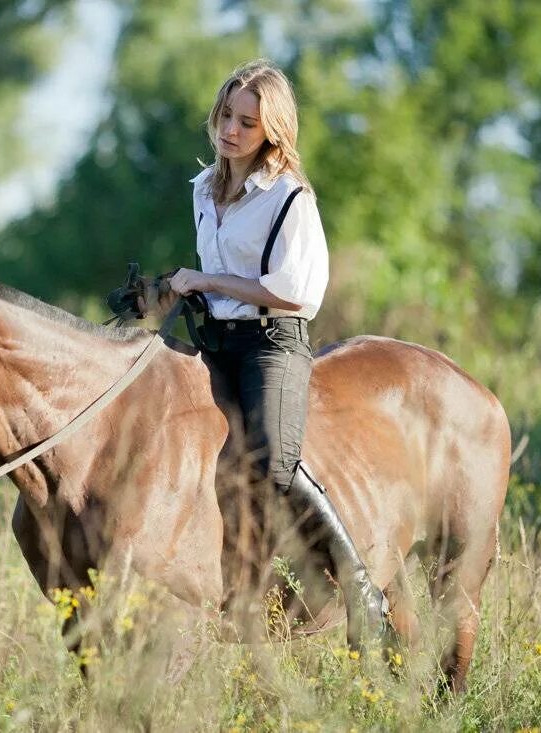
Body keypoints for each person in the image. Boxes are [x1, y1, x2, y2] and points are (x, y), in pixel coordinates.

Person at [168, 60, 386, 648]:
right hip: (217, 339)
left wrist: (206, 281)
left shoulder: (290, 198)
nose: (231, 131)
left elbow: (293, 293)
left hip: (271, 344)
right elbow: (210, 275)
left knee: (271, 464)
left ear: (272, 131)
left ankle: (362, 591)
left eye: (247, 122)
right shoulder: (202, 191)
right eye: (226, 116)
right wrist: (170, 288)